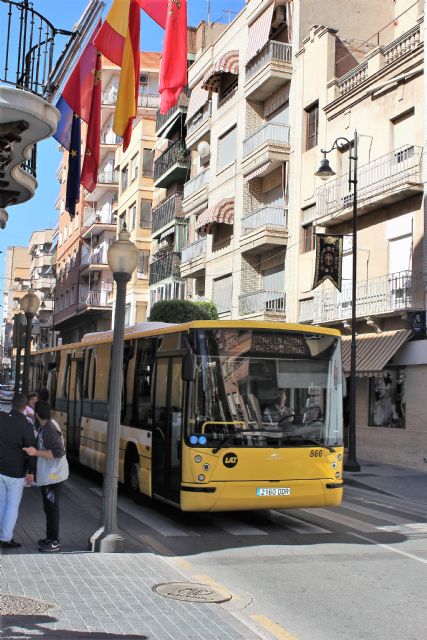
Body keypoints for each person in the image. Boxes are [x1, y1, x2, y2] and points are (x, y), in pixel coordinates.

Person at [23, 401, 69, 553]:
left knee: (52, 508)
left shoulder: (49, 429)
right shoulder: (48, 425)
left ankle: (54, 541)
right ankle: (50, 537)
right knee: (49, 508)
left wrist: (35, 453)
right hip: (50, 476)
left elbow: (58, 452)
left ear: (37, 415)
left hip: (53, 477)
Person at [0, 393, 36, 548]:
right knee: (12, 505)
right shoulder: (26, 425)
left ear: (12, 404)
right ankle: (6, 537)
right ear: (25, 406)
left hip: (0, 469)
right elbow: (30, 450)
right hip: (16, 472)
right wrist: (31, 472)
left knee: (1, 503)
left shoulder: (2, 419)